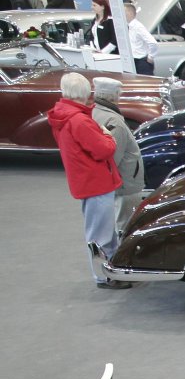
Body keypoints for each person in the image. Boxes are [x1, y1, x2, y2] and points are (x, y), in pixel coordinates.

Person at [48, 73, 127, 288]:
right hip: (96, 181)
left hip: (85, 180)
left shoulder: (63, 116)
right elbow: (104, 149)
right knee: (101, 234)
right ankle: (105, 276)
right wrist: (107, 136)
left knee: (98, 229)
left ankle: (108, 272)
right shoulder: (79, 120)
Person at [90, 77, 143, 232]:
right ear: (114, 96)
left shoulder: (94, 112)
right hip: (125, 183)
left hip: (112, 184)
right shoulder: (114, 121)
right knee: (125, 225)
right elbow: (113, 157)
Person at [123, 1, 157, 75]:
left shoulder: (138, 27)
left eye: (123, 12)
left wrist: (151, 57)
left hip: (141, 62)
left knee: (146, 81)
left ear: (130, 13)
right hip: (133, 61)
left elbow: (152, 42)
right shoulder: (128, 26)